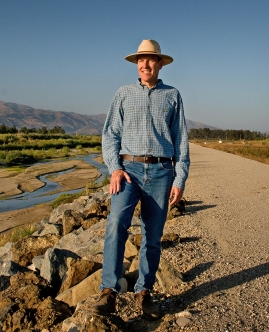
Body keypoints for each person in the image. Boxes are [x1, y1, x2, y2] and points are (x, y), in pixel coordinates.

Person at [89, 39, 190, 320]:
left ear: (159, 63)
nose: (145, 64)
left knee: (153, 237)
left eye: (150, 59)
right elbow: (110, 134)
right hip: (129, 171)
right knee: (115, 225)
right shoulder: (123, 94)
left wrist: (180, 179)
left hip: (161, 173)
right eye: (140, 60)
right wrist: (115, 168)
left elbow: (181, 140)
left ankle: (144, 293)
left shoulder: (173, 96)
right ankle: (109, 292)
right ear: (137, 64)